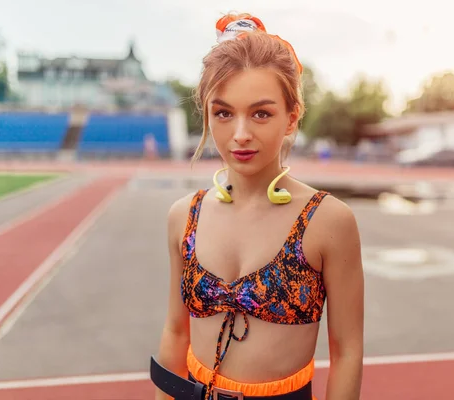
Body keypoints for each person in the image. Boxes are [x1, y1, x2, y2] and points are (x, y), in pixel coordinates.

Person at [152, 12, 364, 400]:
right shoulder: (184, 217)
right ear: (207, 112)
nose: (241, 134)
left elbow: (347, 352)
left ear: (290, 118)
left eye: (261, 113)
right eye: (223, 113)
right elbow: (176, 331)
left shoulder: (328, 221)